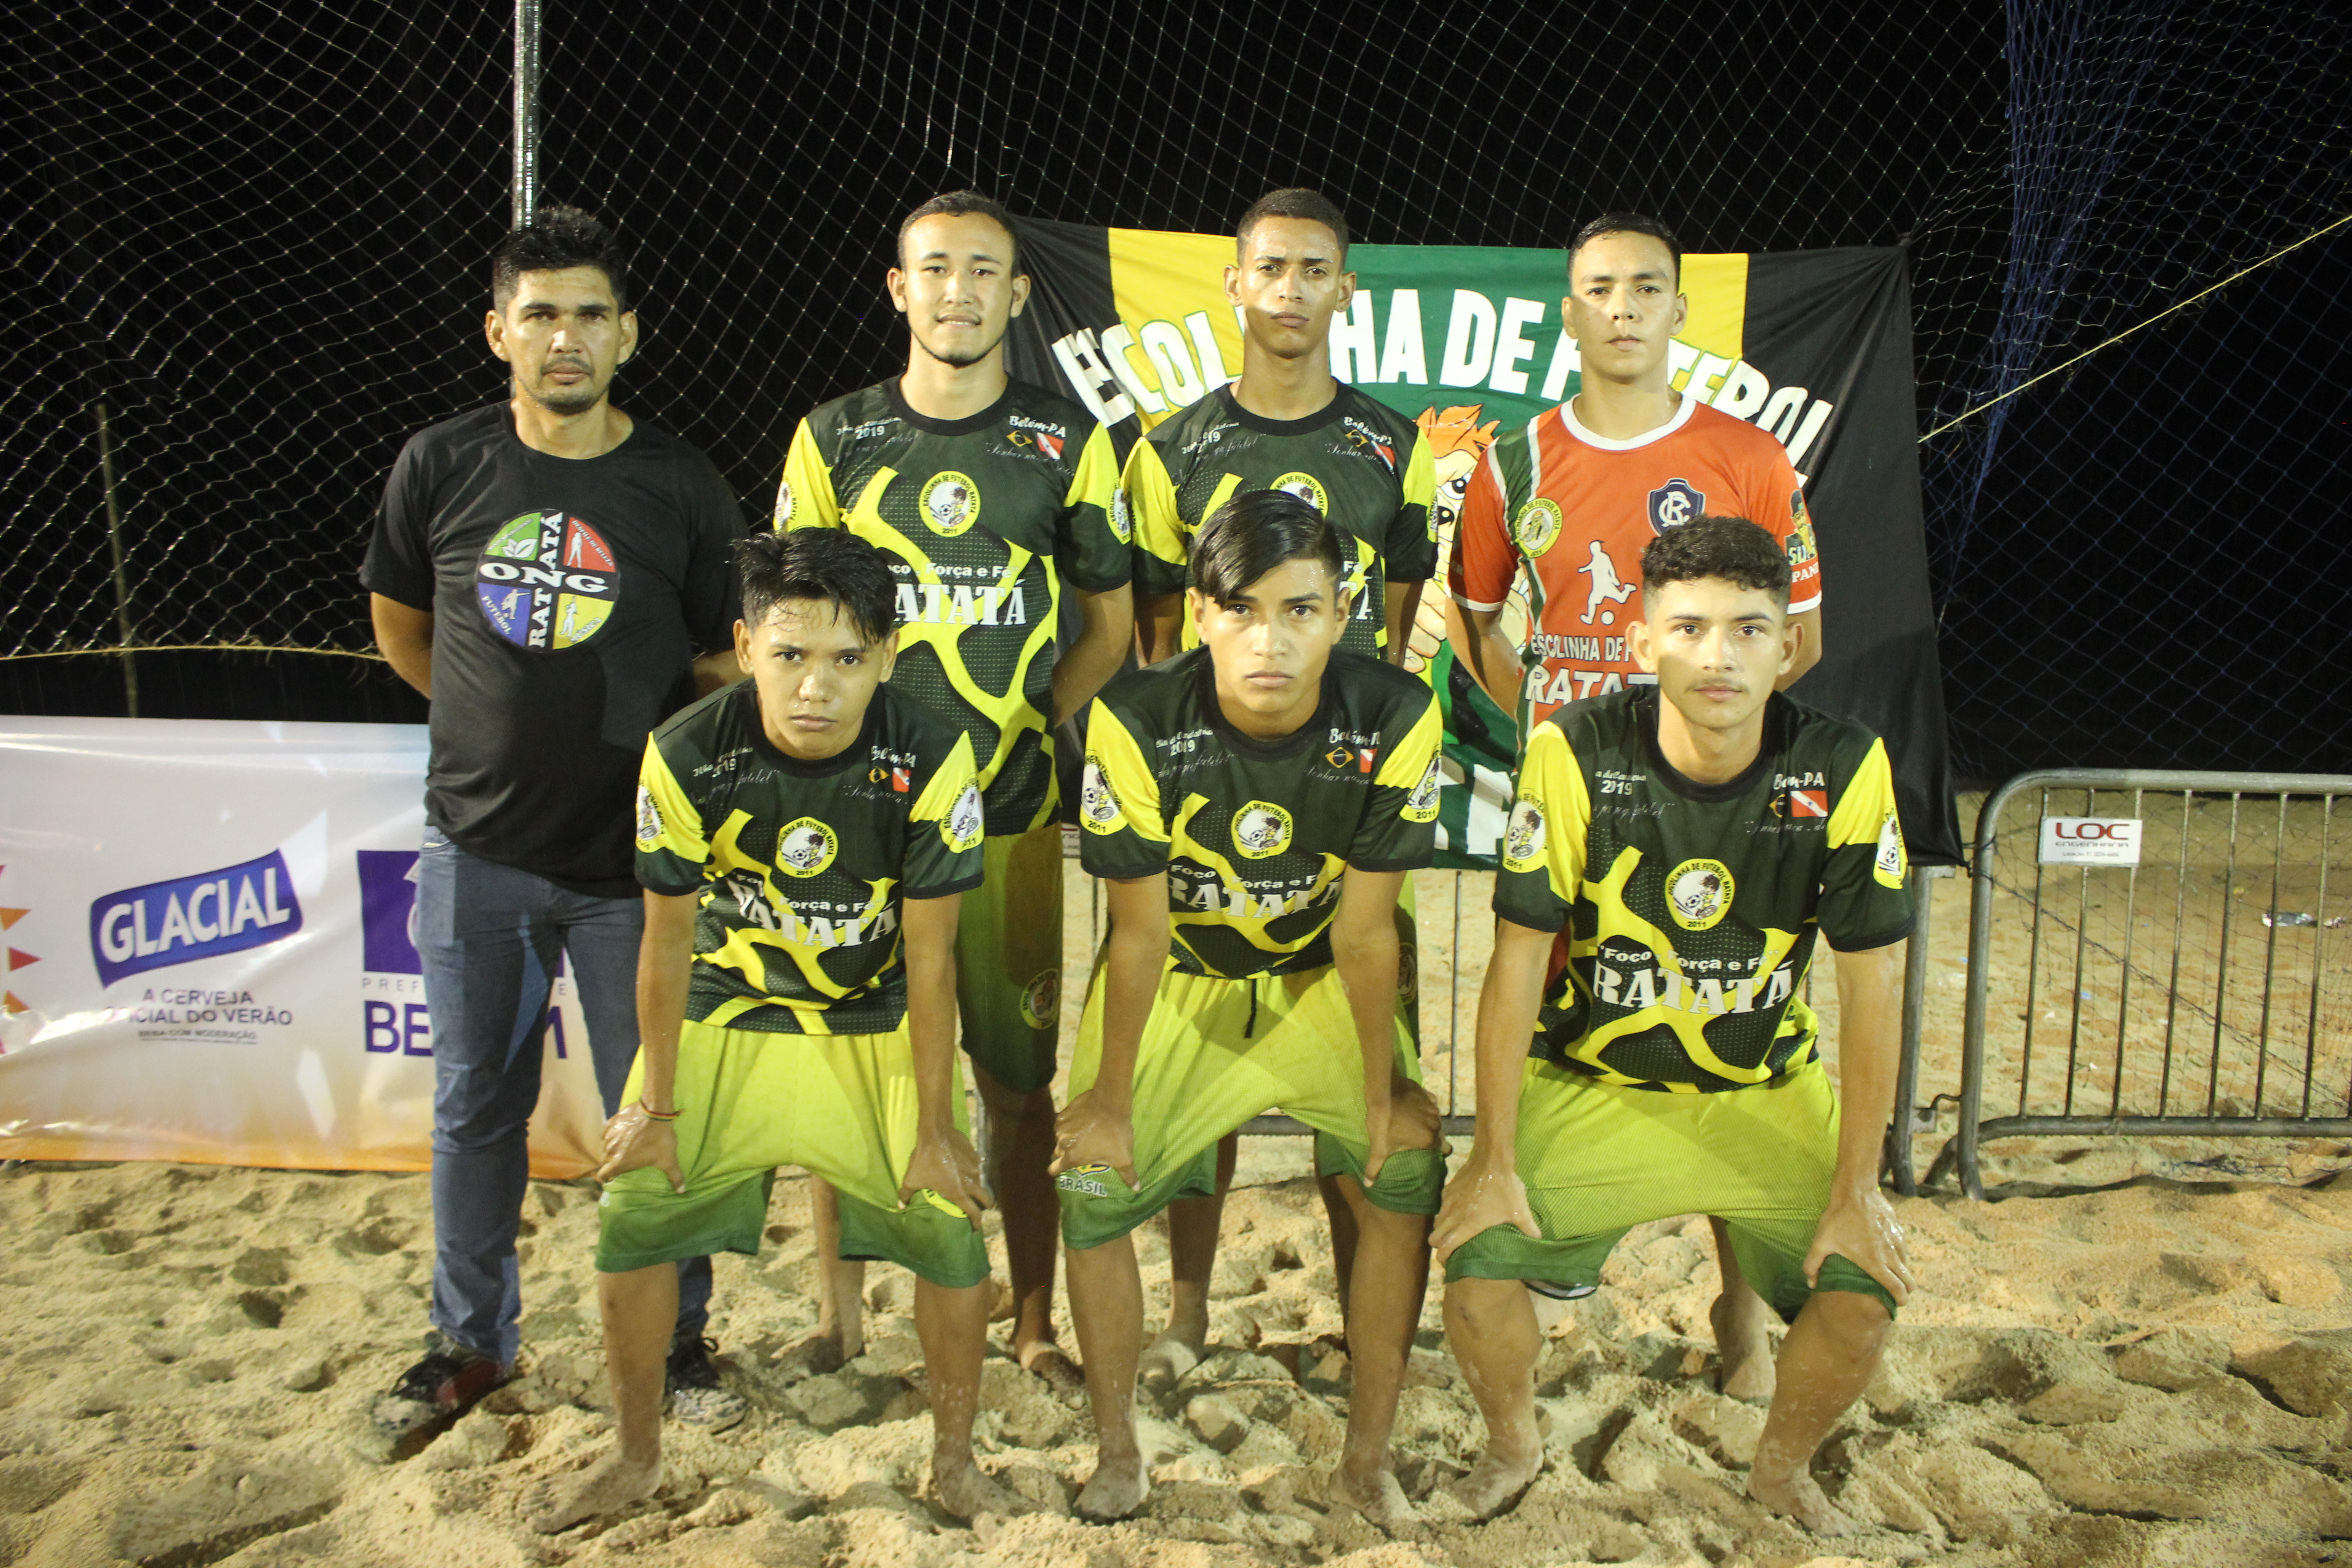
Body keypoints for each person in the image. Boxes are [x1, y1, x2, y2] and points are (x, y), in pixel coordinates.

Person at [530, 528, 1021, 1531]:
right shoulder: (686, 752)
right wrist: (653, 1104)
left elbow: (931, 958)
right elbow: (667, 940)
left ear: (888, 657)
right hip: (729, 1012)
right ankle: (634, 1458)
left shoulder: (934, 754)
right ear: (747, 645)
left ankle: (955, 1465)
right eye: (790, 654)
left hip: (872, 1019)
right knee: (633, 1219)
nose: (816, 686)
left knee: (949, 1231)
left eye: (847, 659)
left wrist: (936, 1125)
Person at [1432, 516, 1914, 1531]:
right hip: (1594, 1083)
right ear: (1641, 641)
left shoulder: (1842, 764)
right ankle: (1515, 1447)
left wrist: (1859, 1190)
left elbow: (1874, 984)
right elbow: (1516, 962)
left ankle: (1779, 1472)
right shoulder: (1573, 749)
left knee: (1864, 1293)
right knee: (1476, 1274)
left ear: (1788, 647)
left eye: (1748, 630)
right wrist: (1492, 1160)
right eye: (1689, 628)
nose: (1718, 657)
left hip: (1763, 1091)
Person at [361, 206, 747, 1439]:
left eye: (590, 314)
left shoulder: (679, 482)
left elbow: (724, 657)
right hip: (477, 853)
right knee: (475, 1110)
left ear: (628, 333)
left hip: (639, 872)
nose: (565, 337)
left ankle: (679, 1345)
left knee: (658, 1113)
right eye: (539, 315)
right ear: (498, 333)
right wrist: (497, 729)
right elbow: (403, 628)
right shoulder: (440, 464)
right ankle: (471, 1344)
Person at [1446, 211, 1827, 1392]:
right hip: (1573, 816)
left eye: (1646, 288)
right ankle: (1564, 1249)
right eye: (1601, 288)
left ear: (1677, 310)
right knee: (1571, 1026)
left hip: (1714, 810)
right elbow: (1473, 620)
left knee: (1726, 1030)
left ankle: (1742, 1313)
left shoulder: (1749, 460)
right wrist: (1555, 726)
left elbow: (1803, 639)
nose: (1623, 307)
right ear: (1569, 312)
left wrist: (1701, 735)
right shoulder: (1513, 465)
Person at [774, 190, 1132, 1387]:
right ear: (899, 288)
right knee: (849, 1063)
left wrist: (1029, 726)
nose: (959, 292)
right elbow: (800, 626)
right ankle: (838, 1319)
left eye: (984, 272)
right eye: (935, 269)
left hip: (1011, 823)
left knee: (1016, 1086)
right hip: (867, 823)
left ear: (1018, 296)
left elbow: (1110, 629)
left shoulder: (1067, 442)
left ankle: (1030, 1323)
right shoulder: (835, 438)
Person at [1055, 491, 1447, 1529]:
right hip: (1183, 975)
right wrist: (1106, 1102)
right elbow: (1137, 936)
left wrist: (1383, 1096)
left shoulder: (1396, 713)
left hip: (1322, 975)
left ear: (1343, 614)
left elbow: (1367, 933)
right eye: (1241, 610)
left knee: (1400, 1174)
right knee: (1091, 1187)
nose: (1269, 640)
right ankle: (1117, 1452)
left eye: (1300, 610)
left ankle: (1366, 1459)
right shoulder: (1133, 717)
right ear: (1199, 614)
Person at [1120, 187, 1440, 1393]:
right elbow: (1160, 641)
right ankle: (1189, 1314)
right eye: (1272, 268)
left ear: (1345, 288)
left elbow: (1394, 633)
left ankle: (1366, 1323)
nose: (1292, 289)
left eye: (1315, 270)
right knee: (1196, 1072)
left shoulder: (1394, 446)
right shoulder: (1173, 449)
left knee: (1364, 1081)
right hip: (1210, 808)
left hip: (1348, 815)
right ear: (1236, 284)